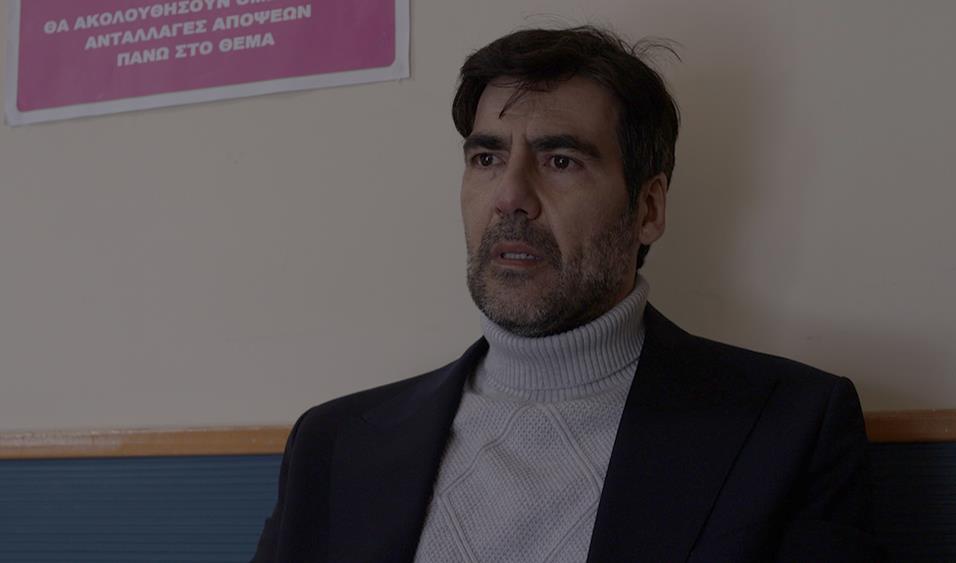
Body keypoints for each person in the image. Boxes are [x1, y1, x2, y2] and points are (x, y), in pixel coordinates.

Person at [252, 26, 879, 562]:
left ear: (649, 209)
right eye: (486, 159)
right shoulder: (332, 442)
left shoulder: (790, 429)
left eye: (560, 161)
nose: (510, 197)